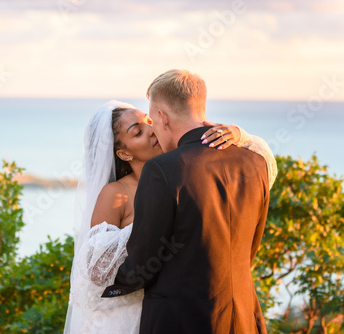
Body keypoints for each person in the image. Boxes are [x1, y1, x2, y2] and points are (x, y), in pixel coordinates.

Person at [65, 98, 277, 332]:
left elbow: (261, 165)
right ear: (124, 154)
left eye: (148, 121)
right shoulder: (116, 194)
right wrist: (149, 228)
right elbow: (96, 267)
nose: (151, 130)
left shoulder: (185, 168)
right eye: (137, 132)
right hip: (139, 317)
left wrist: (238, 134)